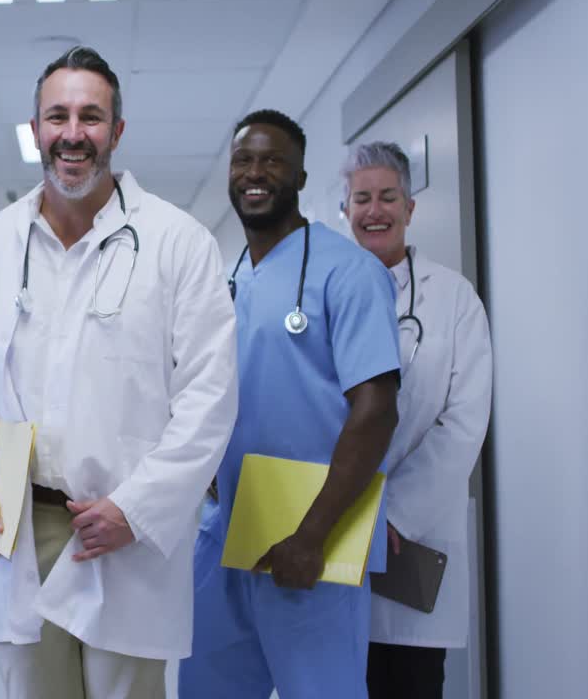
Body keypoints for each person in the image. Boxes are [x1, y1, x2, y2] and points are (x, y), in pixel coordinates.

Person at [0, 45, 238, 699]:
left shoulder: (178, 243)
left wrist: (139, 507)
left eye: (91, 117)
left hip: (124, 532)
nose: (73, 133)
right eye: (57, 116)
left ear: (117, 132)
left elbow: (209, 398)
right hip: (20, 525)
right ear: (36, 129)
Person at [179, 110, 401, 699]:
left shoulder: (349, 272)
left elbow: (376, 409)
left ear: (301, 177)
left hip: (314, 540)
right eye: (242, 161)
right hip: (225, 538)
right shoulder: (225, 280)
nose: (255, 173)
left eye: (272, 160)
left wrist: (312, 534)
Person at [343, 141, 493, 699]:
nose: (374, 210)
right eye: (362, 198)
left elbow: (463, 423)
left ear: (410, 208)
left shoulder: (453, 300)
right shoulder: (322, 293)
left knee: (409, 684)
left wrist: (395, 515)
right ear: (345, 209)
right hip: (330, 534)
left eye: (388, 197)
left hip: (412, 540)